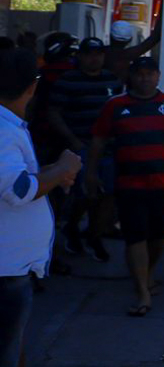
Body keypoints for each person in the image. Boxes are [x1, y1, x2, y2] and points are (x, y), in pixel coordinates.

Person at [0, 48, 81, 367]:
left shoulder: (9, 125)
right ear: (32, 87)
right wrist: (60, 170)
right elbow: (20, 190)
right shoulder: (2, 129)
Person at [87, 56, 164, 316]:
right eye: (140, 74)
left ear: (158, 76)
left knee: (158, 236)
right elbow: (98, 140)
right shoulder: (115, 105)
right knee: (135, 236)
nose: (145, 78)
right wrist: (91, 173)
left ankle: (148, 274)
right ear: (132, 76)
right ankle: (142, 291)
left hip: (163, 183)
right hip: (129, 184)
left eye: (150, 74)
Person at [41, 37, 122, 261]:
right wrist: (72, 140)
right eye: (89, 54)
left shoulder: (112, 80)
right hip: (81, 147)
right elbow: (53, 112)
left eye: (98, 54)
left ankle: (95, 235)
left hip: (109, 148)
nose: (94, 58)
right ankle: (73, 227)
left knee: (109, 195)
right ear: (80, 56)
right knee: (86, 193)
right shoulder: (67, 80)